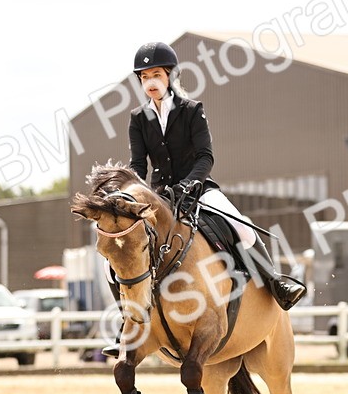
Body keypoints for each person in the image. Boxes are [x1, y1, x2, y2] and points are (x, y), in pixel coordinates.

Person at [101, 42, 306, 357]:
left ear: (170, 75)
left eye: (156, 74)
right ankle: (127, 322)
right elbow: (139, 164)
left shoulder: (191, 110)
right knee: (119, 253)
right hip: (159, 197)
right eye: (144, 77)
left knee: (245, 229)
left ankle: (276, 283)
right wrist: (134, 192)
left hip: (198, 188)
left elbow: (205, 156)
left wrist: (189, 184)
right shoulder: (138, 118)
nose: (150, 82)